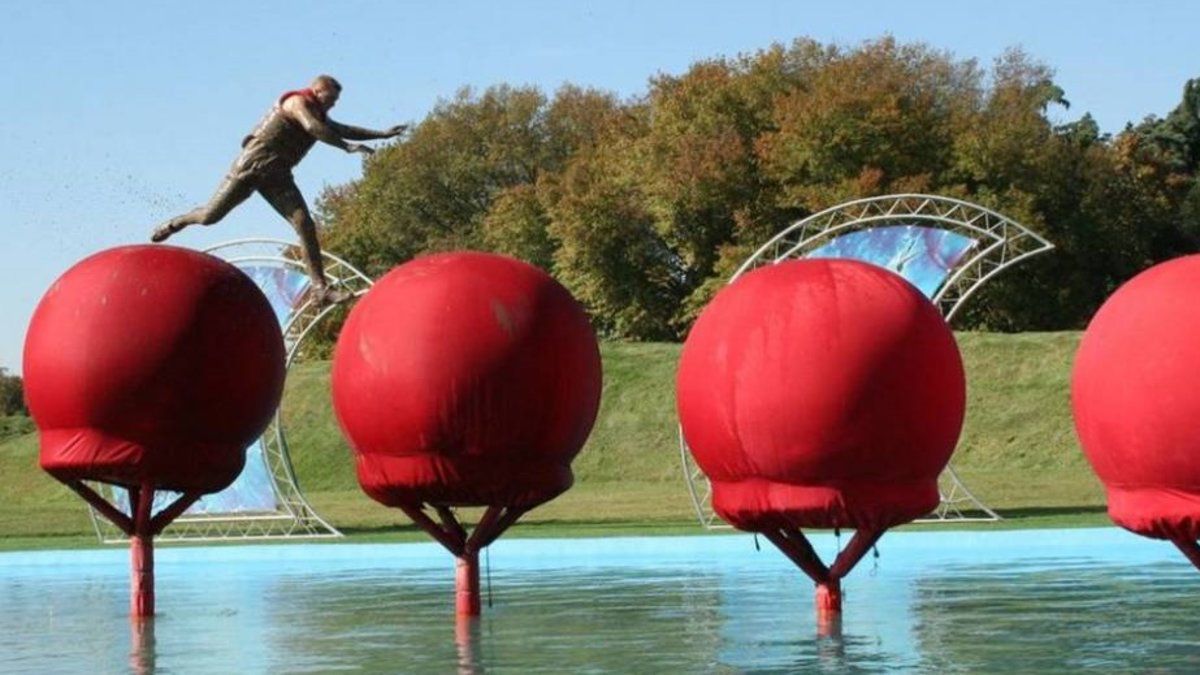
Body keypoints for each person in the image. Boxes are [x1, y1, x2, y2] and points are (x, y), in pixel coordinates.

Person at [150, 75, 406, 306]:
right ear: (318, 91)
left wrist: (382, 134)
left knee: (304, 224)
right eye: (332, 98)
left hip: (278, 175)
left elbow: (342, 129)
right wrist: (346, 147)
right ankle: (176, 223)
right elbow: (313, 128)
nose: (334, 104)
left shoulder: (319, 113)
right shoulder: (297, 102)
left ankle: (320, 289)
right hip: (251, 166)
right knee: (210, 216)